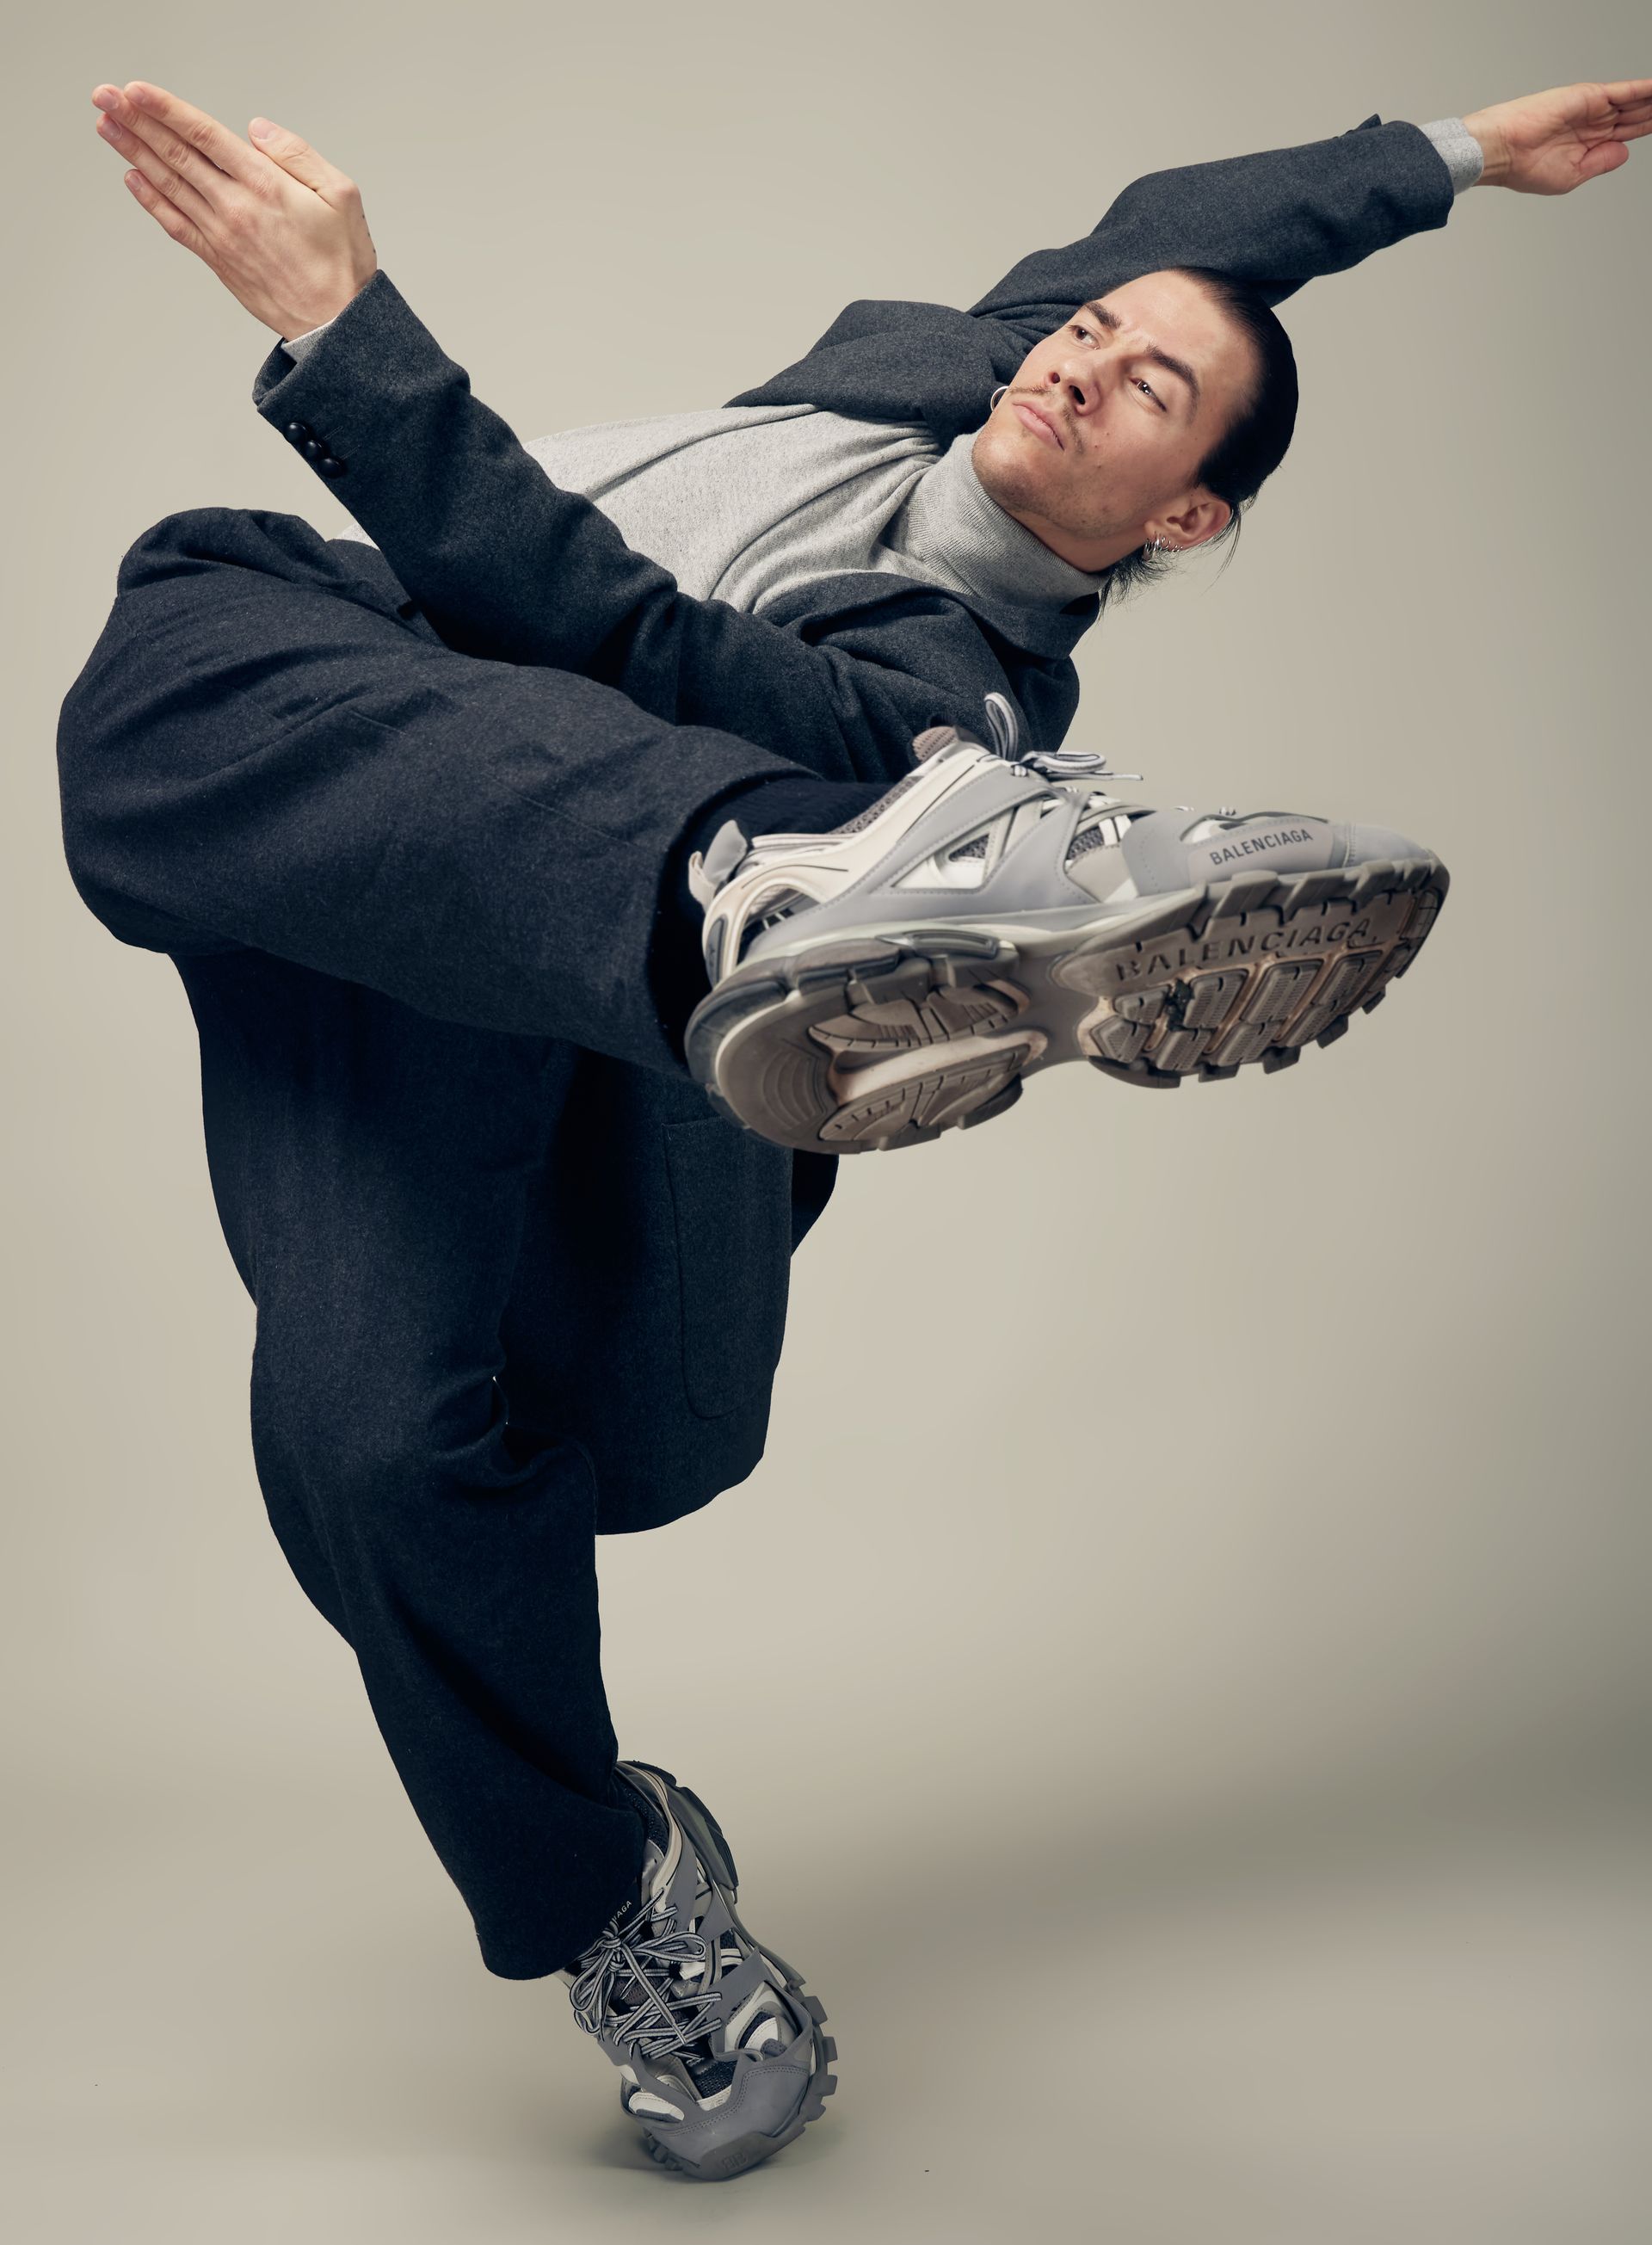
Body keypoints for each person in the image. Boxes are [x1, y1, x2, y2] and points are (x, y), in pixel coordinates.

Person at [57, 74, 1647, 2184]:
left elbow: (600, 624)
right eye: (1086, 327)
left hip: (527, 934)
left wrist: (357, 343)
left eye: (1146, 388)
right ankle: (783, 883)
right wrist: (1450, 158)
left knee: (371, 1446)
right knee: (173, 636)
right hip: (341, 770)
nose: (1080, 359)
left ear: (1183, 518)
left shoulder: (944, 692)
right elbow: (1189, 232)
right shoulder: (929, 376)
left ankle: (613, 1901)